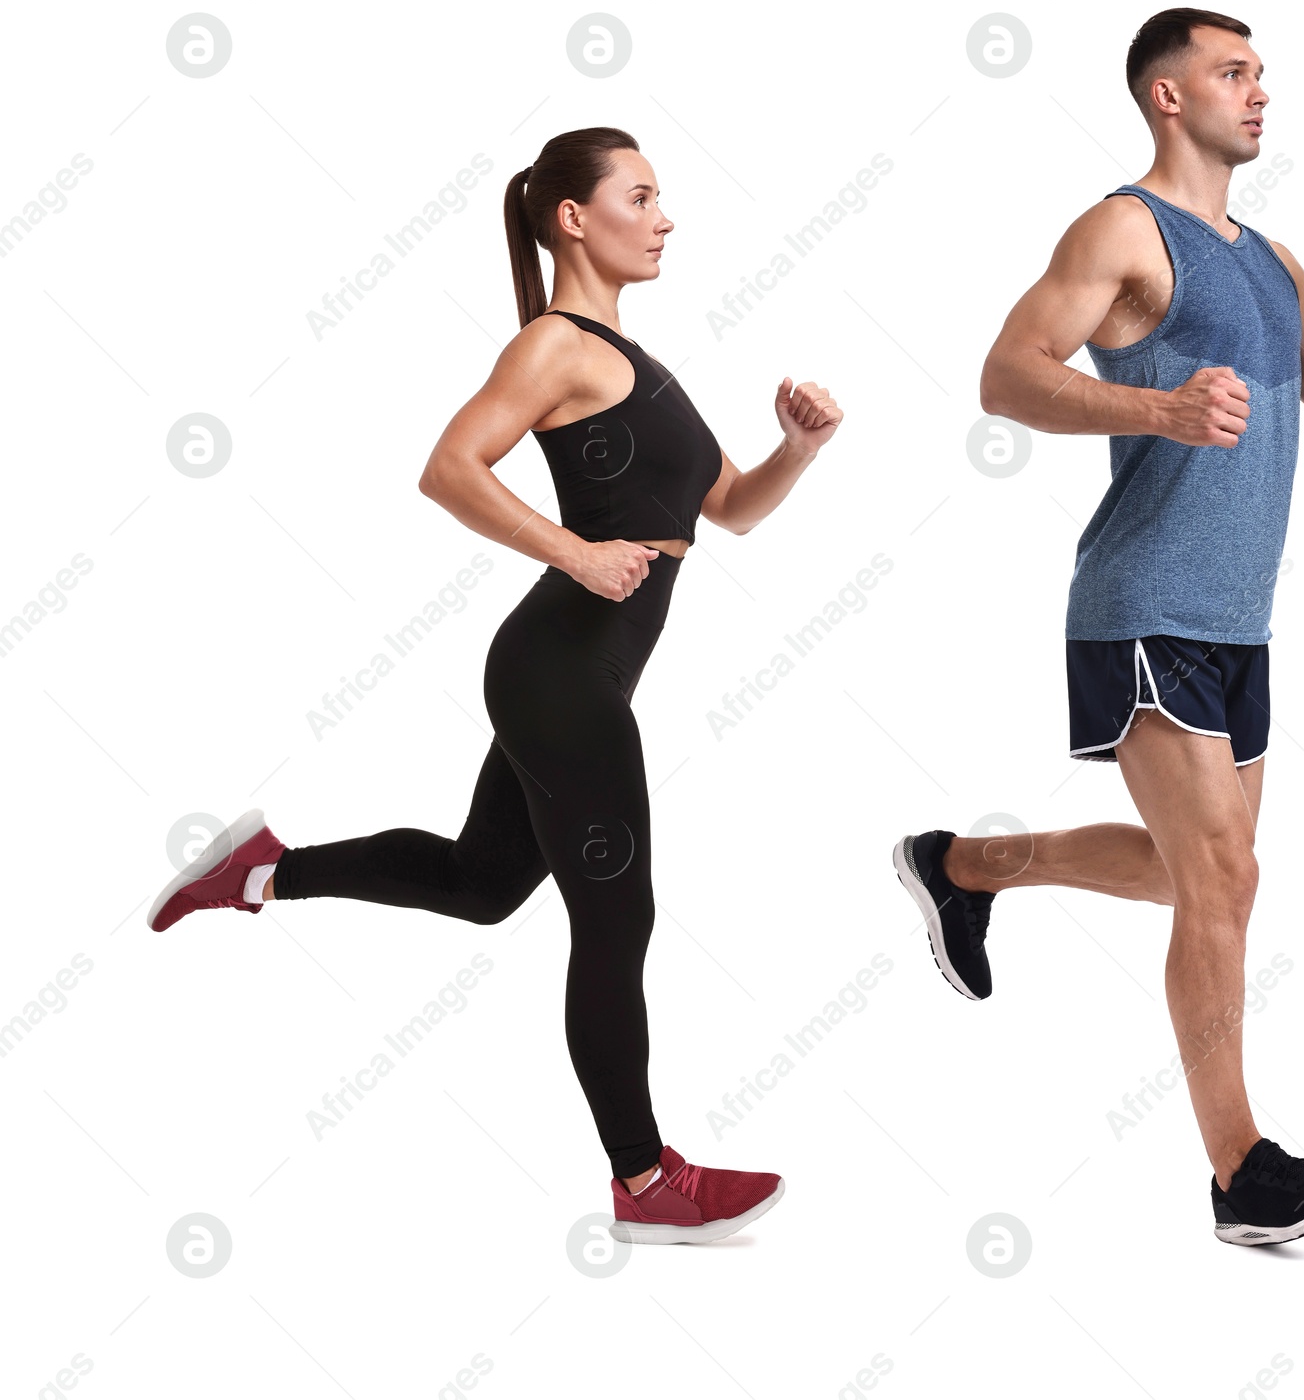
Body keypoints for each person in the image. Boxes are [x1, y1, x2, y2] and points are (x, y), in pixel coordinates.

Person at [146, 126, 843, 1245]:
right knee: (619, 914)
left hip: (573, 669)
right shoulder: (555, 345)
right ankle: (643, 1177)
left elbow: (732, 508)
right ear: (574, 217)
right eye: (643, 195)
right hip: (561, 667)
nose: (666, 217)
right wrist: (575, 553)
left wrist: (796, 449)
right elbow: (448, 466)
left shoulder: (642, 365)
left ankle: (263, 870)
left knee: (481, 881)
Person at [892, 9, 1304, 1245]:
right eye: (1233, 71)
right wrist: (1162, 409)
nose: (1258, 89)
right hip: (1142, 602)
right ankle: (1240, 1171)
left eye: (1261, 71)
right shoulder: (1124, 227)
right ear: (1167, 96)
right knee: (1222, 877)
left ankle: (958, 865)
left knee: (1201, 875)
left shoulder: (1276, 259)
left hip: (1239, 620)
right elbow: (1006, 372)